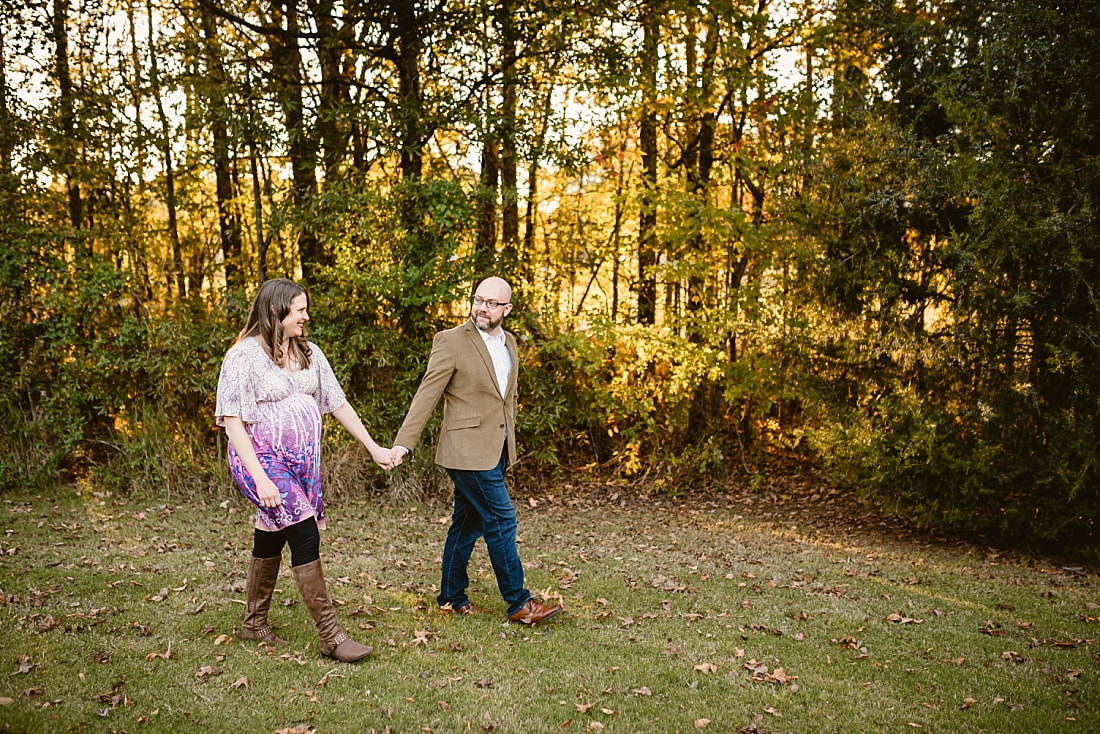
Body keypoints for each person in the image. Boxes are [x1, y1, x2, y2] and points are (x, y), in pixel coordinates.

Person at [215, 278, 394, 662]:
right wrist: (261, 478)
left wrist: (373, 447)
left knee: (272, 533)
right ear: (277, 310)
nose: (305, 316)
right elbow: (232, 423)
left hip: (301, 464)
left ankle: (253, 622)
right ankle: (330, 635)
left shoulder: (310, 353)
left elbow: (338, 403)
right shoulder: (243, 357)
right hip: (259, 459)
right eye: (299, 310)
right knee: (303, 532)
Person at [391, 276, 563, 626]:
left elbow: (507, 397)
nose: (482, 308)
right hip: (465, 450)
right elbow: (428, 393)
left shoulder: (510, 343)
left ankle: (451, 598)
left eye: (492, 303)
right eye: (478, 300)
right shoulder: (451, 341)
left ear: (507, 309)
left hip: (495, 449)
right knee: (501, 519)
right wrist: (403, 443)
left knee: (466, 525)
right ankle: (518, 603)